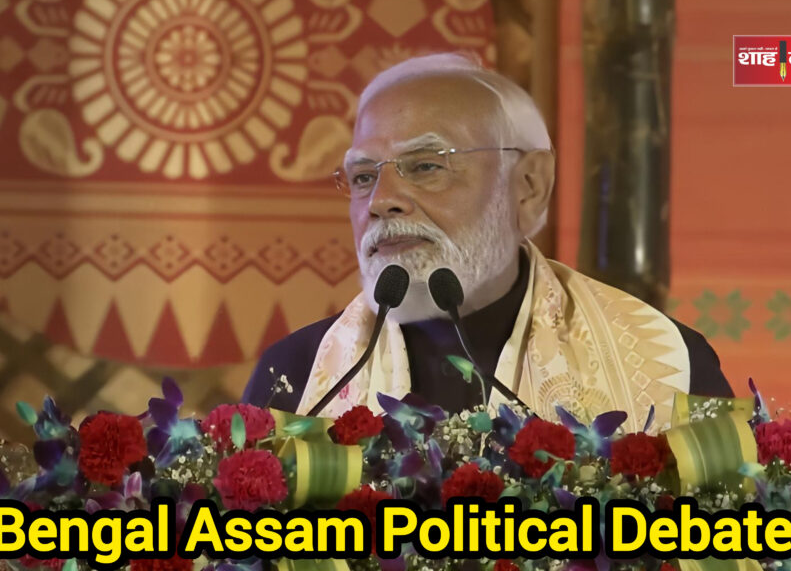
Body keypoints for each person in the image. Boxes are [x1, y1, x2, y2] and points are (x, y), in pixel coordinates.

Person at [242, 53, 732, 431]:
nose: (381, 200)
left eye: (426, 166)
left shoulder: (667, 361)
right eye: (364, 176)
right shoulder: (297, 377)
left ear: (529, 184)